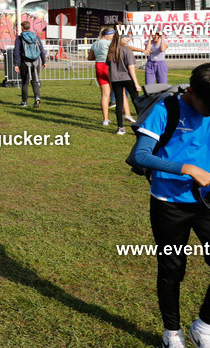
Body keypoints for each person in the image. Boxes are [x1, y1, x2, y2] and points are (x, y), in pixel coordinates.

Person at [131, 63, 210, 348]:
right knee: (172, 267)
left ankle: (203, 326)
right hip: (169, 203)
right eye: (207, 105)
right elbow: (140, 155)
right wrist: (185, 168)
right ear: (191, 92)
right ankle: (172, 333)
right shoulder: (166, 110)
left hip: (207, 201)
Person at [108, 31, 141, 135]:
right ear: (120, 38)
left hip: (115, 79)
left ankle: (120, 127)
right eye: (126, 38)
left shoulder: (111, 51)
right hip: (127, 78)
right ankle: (140, 126)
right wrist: (136, 83)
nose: (128, 40)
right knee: (137, 102)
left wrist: (110, 83)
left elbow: (109, 69)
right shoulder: (127, 50)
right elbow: (131, 68)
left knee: (119, 103)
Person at [13, 21, 47, 108]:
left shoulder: (19, 38)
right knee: (35, 81)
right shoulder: (36, 37)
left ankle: (24, 102)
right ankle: (37, 98)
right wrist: (44, 61)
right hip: (36, 62)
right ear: (29, 27)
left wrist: (16, 64)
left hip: (25, 62)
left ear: (22, 28)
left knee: (25, 83)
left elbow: (16, 52)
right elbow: (41, 50)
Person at [88, 27, 117, 126]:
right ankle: (126, 115)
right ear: (107, 35)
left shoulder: (95, 44)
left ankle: (105, 119)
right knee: (120, 92)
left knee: (105, 95)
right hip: (109, 66)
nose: (113, 37)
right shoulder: (110, 43)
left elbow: (90, 57)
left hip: (99, 67)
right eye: (112, 35)